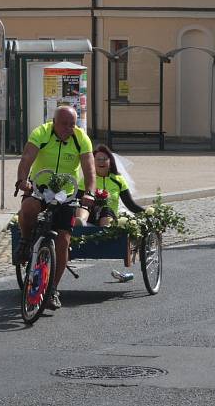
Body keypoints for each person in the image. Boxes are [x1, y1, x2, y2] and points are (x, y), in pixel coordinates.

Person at [14, 106, 96, 310]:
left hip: (67, 193)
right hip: (40, 187)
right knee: (28, 208)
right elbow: (26, 158)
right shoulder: (41, 132)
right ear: (54, 121)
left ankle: (52, 290)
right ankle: (25, 241)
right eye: (65, 124)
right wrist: (22, 180)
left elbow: (89, 169)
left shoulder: (81, 138)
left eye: (73, 124)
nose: (69, 128)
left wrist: (90, 193)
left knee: (63, 240)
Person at [76, 144, 144, 226]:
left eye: (105, 159)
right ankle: (80, 223)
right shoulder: (87, 179)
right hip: (90, 216)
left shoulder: (118, 180)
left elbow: (130, 204)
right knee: (83, 207)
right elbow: (77, 200)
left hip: (109, 216)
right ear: (92, 162)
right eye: (98, 159)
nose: (101, 162)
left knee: (106, 209)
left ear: (110, 162)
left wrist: (148, 213)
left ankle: (105, 232)